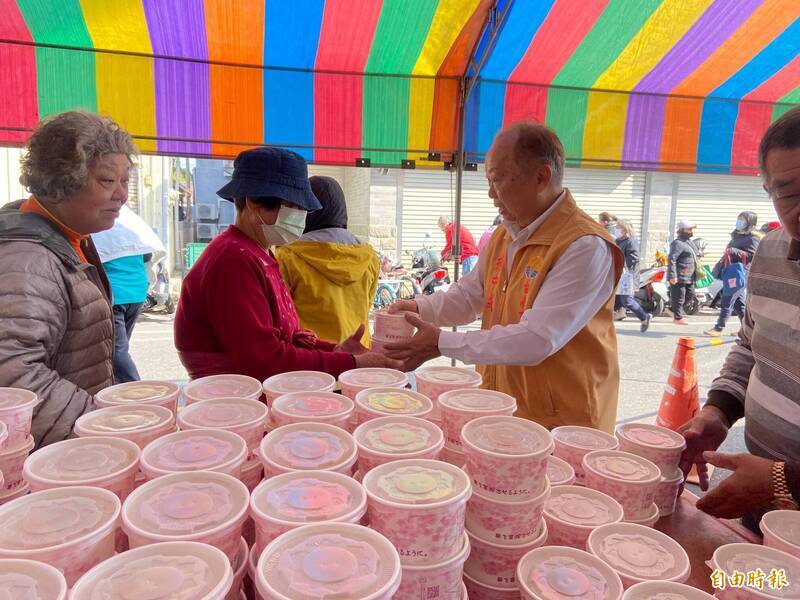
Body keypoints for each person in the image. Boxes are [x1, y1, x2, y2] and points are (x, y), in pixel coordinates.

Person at [387, 121, 623, 432]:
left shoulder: (584, 245)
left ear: (541, 178)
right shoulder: (504, 235)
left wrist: (442, 343)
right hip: (503, 407)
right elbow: (469, 296)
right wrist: (420, 308)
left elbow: (538, 339)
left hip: (564, 424)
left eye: (497, 179)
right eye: (488, 180)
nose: (490, 193)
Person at [174, 147, 396, 382]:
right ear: (254, 202)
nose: (301, 216)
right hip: (232, 396)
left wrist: (336, 351)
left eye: (303, 209)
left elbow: (285, 338)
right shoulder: (232, 260)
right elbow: (264, 360)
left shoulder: (260, 253)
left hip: (260, 390)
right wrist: (350, 363)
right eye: (294, 207)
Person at [679, 105, 800, 523]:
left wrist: (783, 480)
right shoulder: (770, 252)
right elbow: (751, 346)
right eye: (788, 193)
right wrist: (718, 411)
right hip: (760, 496)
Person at [0, 111, 135, 448]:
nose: (122, 194)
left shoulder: (71, 237)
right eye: (107, 181)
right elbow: (14, 375)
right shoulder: (28, 258)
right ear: (62, 181)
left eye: (125, 180)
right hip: (57, 455)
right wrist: (100, 425)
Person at [275, 176, 379, 345]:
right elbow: (366, 306)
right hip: (358, 354)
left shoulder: (287, 257)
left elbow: (282, 316)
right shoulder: (369, 257)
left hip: (312, 357)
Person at [92, 204, 166, 382]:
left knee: (117, 351)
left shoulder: (97, 225)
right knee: (119, 348)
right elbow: (147, 256)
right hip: (137, 292)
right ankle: (116, 385)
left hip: (115, 295)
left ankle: (135, 390)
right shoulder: (133, 225)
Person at [704, 212, 760, 337]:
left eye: (742, 219)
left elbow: (753, 255)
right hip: (731, 271)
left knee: (727, 299)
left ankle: (718, 328)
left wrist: (736, 251)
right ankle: (748, 331)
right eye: (738, 219)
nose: (739, 222)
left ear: (750, 222)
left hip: (740, 272)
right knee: (739, 304)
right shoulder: (737, 235)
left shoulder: (753, 238)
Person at [612, 220, 651, 333]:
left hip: (628, 276)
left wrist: (620, 261)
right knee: (620, 299)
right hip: (621, 275)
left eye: (618, 227)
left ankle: (644, 317)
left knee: (627, 300)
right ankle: (618, 314)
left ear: (624, 229)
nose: (616, 229)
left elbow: (634, 258)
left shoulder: (630, 241)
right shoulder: (619, 241)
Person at [667, 220, 698, 325]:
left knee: (690, 295)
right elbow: (672, 259)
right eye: (689, 229)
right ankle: (677, 318)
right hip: (679, 275)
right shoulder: (677, 243)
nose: (691, 231)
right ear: (682, 230)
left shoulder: (689, 242)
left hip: (690, 275)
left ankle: (673, 310)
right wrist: (672, 275)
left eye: (691, 229)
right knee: (679, 297)